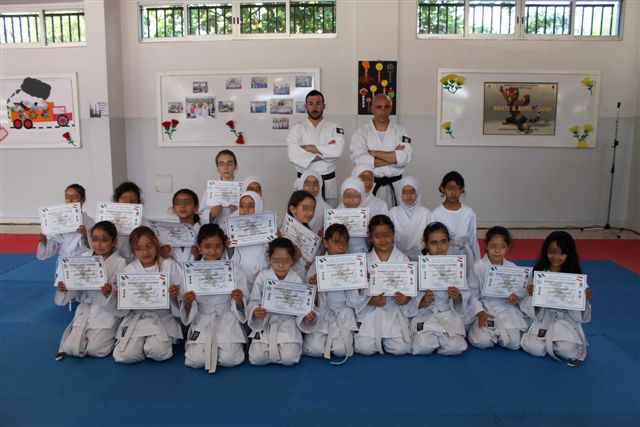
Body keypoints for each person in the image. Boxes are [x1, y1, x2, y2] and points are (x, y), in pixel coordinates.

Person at [54, 221, 126, 360]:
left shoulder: (120, 263)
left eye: (104, 240)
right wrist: (65, 288)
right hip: (86, 307)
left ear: (114, 241)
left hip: (107, 311)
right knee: (70, 348)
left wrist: (109, 292)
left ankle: (114, 331)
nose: (99, 244)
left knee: (97, 350)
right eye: (95, 239)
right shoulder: (83, 258)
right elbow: (76, 290)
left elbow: (121, 293)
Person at [181, 224, 248, 373]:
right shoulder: (192, 271)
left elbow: (243, 304)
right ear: (199, 248)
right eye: (207, 246)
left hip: (227, 318)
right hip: (202, 318)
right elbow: (187, 306)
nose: (213, 251)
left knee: (230, 360)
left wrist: (239, 301)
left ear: (223, 247)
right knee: (196, 361)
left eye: (218, 246)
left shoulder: (235, 271)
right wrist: (187, 302)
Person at [520, 231, 593, 366]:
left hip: (564, 320)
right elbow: (526, 304)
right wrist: (533, 296)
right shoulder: (539, 274)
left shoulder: (576, 278)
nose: (556, 257)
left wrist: (584, 299)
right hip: (543, 318)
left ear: (569, 254)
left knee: (567, 351)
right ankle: (539, 339)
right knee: (534, 348)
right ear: (545, 252)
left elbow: (579, 314)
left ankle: (561, 342)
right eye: (552, 252)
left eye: (562, 253)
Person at [112, 226, 183, 363]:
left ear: (156, 244)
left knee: (159, 353)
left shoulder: (169, 265)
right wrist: (120, 297)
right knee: (126, 356)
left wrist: (175, 296)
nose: (145, 252)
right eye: (139, 248)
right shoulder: (129, 270)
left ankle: (149, 345)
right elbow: (124, 306)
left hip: (162, 317)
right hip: (137, 317)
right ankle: (138, 346)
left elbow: (182, 299)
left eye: (149, 246)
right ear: (133, 251)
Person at [247, 237, 316, 366]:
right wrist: (255, 311)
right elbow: (254, 300)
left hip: (287, 323)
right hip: (266, 321)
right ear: (269, 259)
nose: (281, 265)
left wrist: (306, 316)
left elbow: (302, 306)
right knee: (257, 358)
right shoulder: (262, 276)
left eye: (285, 260)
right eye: (277, 260)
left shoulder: (296, 279)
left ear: (292, 260)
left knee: (290, 358)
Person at [354, 215, 413, 356]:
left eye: (387, 235)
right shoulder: (364, 261)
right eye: (378, 236)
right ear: (370, 237)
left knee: (402, 349)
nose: (383, 240)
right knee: (364, 349)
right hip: (371, 311)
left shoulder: (403, 259)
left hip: (394, 310)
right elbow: (355, 294)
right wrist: (370, 300)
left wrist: (406, 299)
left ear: (393, 234)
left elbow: (411, 291)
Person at [301, 224, 360, 362]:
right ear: (326, 243)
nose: (341, 247)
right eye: (336, 242)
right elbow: (309, 299)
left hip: (343, 312)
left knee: (341, 351)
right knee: (313, 350)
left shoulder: (351, 265)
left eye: (345, 243)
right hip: (322, 313)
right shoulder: (317, 264)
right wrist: (313, 287)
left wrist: (360, 283)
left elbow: (354, 300)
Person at [410, 222, 468, 356]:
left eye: (443, 242)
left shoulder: (456, 265)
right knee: (423, 348)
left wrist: (457, 296)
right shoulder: (419, 266)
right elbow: (410, 296)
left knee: (455, 348)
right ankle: (433, 337)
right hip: (426, 313)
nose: (440, 247)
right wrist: (422, 300)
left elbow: (465, 295)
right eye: (434, 243)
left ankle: (440, 338)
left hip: (448, 313)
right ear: (426, 244)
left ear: (448, 242)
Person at [467, 226, 530, 350]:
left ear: (507, 247)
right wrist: (479, 312)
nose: (497, 251)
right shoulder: (477, 267)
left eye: (502, 247)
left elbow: (518, 293)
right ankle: (486, 331)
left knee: (514, 344)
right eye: (493, 246)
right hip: (485, 308)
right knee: (481, 341)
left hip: (506, 308)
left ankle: (498, 333)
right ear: (486, 246)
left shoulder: (512, 267)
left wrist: (515, 300)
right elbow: (472, 294)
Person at [349, 94, 413, 208]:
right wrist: (393, 158)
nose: (383, 111)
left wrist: (374, 153)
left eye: (386, 107)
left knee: (394, 217)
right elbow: (359, 160)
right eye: (379, 107)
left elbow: (405, 157)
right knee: (370, 217)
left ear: (391, 109)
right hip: (370, 186)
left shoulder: (401, 132)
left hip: (395, 185)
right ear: (372, 109)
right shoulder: (361, 133)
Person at [287, 90, 345, 206]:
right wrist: (324, 152)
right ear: (306, 106)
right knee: (303, 213)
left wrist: (311, 148)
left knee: (328, 214)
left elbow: (337, 150)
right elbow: (293, 154)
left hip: (327, 182)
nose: (314, 107)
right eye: (311, 104)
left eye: (318, 103)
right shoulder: (297, 129)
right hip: (304, 182)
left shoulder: (335, 127)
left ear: (324, 106)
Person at [431, 171, 481, 264]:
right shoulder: (435, 214)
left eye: (458, 188)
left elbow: (472, 239)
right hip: (444, 257)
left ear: (462, 190)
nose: (454, 192)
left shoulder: (469, 213)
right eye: (450, 188)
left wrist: (477, 262)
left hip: (465, 256)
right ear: (443, 188)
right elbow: (432, 240)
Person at [37, 184, 94, 260]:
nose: (70, 201)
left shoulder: (89, 222)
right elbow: (53, 243)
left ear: (83, 200)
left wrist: (84, 235)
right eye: (67, 197)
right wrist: (45, 242)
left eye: (74, 197)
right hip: (64, 259)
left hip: (83, 259)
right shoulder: (59, 220)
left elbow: (95, 248)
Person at [229, 191, 270, 291]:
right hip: (239, 282)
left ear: (259, 207)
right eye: (242, 206)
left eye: (251, 206)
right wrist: (228, 245)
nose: (246, 209)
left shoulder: (269, 230)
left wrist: (274, 240)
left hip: (262, 282)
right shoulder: (231, 231)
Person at [388, 176, 431, 261]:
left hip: (421, 257)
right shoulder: (393, 212)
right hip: (398, 257)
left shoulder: (426, 213)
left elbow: (430, 237)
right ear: (400, 193)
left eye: (412, 192)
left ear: (418, 192)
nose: (409, 195)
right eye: (405, 192)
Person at [199, 150, 240, 228]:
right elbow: (200, 214)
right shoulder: (210, 190)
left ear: (235, 166)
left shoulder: (243, 189)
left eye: (229, 163)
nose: (226, 167)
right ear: (217, 167)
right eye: (221, 164)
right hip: (216, 232)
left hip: (236, 230)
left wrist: (239, 212)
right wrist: (210, 214)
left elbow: (252, 214)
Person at [161, 189, 201, 263]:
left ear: (196, 207)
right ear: (174, 208)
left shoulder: (203, 232)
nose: (182, 206)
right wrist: (163, 254)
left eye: (187, 202)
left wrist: (199, 256)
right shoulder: (167, 232)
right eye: (178, 203)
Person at [285, 190, 317, 278]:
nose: (310, 213)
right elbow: (276, 267)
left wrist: (312, 265)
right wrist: (294, 259)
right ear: (292, 209)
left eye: (313, 209)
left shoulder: (311, 234)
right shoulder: (281, 235)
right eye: (306, 209)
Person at [112, 181, 147, 262]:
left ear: (138, 202)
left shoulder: (143, 222)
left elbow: (150, 241)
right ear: (117, 200)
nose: (128, 204)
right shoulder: (108, 219)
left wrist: (143, 232)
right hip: (115, 260)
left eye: (133, 201)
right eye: (124, 200)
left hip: (136, 260)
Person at [335, 177, 368, 254]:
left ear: (362, 197)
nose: (351, 200)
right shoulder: (334, 215)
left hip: (360, 252)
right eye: (347, 196)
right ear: (342, 196)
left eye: (355, 196)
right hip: (339, 253)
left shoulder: (367, 216)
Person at [295, 170, 330, 235]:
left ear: (320, 185)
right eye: (307, 183)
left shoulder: (328, 210)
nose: (311, 187)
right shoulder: (294, 206)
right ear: (301, 184)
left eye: (315, 183)